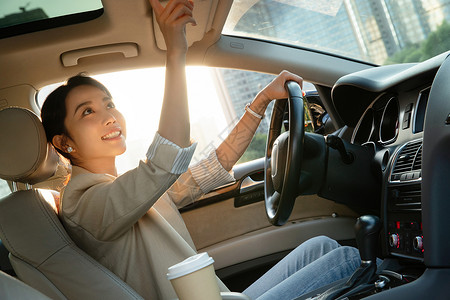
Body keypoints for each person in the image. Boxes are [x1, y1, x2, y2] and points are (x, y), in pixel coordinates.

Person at [41, 0, 362, 299]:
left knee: (321, 247)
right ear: (64, 142)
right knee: (346, 260)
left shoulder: (121, 189)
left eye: (108, 104)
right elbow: (167, 157)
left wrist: (261, 101)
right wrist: (175, 50)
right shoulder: (83, 206)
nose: (109, 116)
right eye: (87, 112)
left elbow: (210, 168)